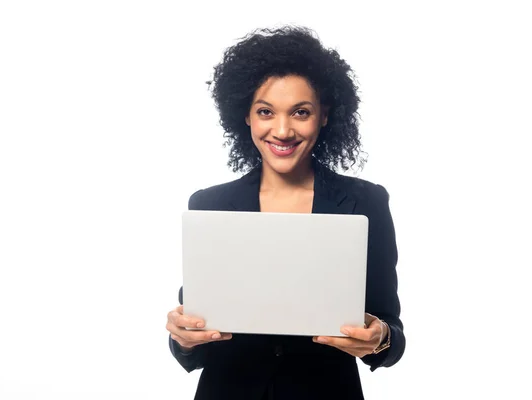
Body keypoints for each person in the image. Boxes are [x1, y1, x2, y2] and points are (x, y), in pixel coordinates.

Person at [165, 26, 405, 399]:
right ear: (245, 115)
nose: (282, 130)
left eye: (300, 112)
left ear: (324, 115)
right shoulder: (209, 205)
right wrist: (183, 338)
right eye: (266, 112)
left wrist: (380, 339)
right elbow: (196, 337)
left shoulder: (365, 203)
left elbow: (390, 332)